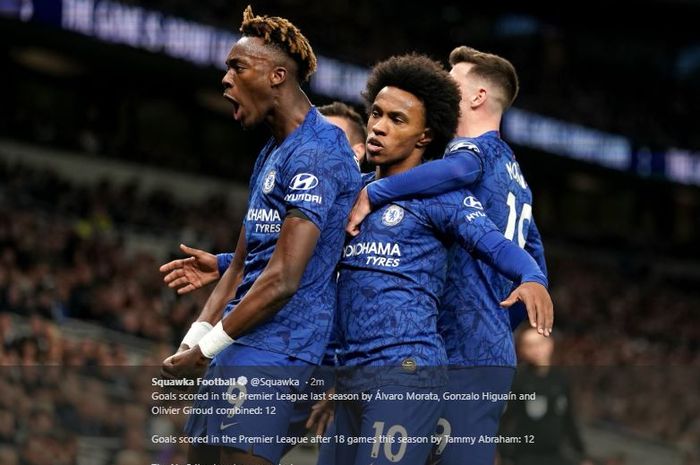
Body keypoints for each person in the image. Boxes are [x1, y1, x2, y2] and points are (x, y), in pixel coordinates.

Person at [160, 6, 361, 465]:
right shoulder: (273, 153)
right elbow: (240, 267)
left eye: (237, 67)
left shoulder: (317, 152)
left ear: (276, 75)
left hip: (279, 349)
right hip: (237, 343)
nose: (226, 79)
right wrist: (193, 342)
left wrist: (207, 349)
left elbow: (283, 277)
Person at [331, 53, 552, 465]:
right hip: (489, 350)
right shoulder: (517, 178)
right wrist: (499, 320)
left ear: (478, 96)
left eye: (452, 83)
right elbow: (533, 258)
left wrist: (375, 193)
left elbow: (457, 172)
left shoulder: (470, 155)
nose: (443, 90)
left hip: (458, 350)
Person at [158, 101, 367, 294]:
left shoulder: (371, 199)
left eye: (334, 139)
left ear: (357, 152)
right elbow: (285, 254)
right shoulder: (299, 192)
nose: (319, 148)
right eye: (316, 138)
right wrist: (226, 265)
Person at [498, 327, 592, 465]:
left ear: (550, 344)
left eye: (540, 343)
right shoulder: (518, 380)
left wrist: (582, 455)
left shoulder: (561, 379)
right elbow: (504, 420)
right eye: (530, 345)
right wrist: (506, 454)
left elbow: (569, 419)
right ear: (522, 350)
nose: (536, 349)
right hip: (524, 456)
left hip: (555, 455)